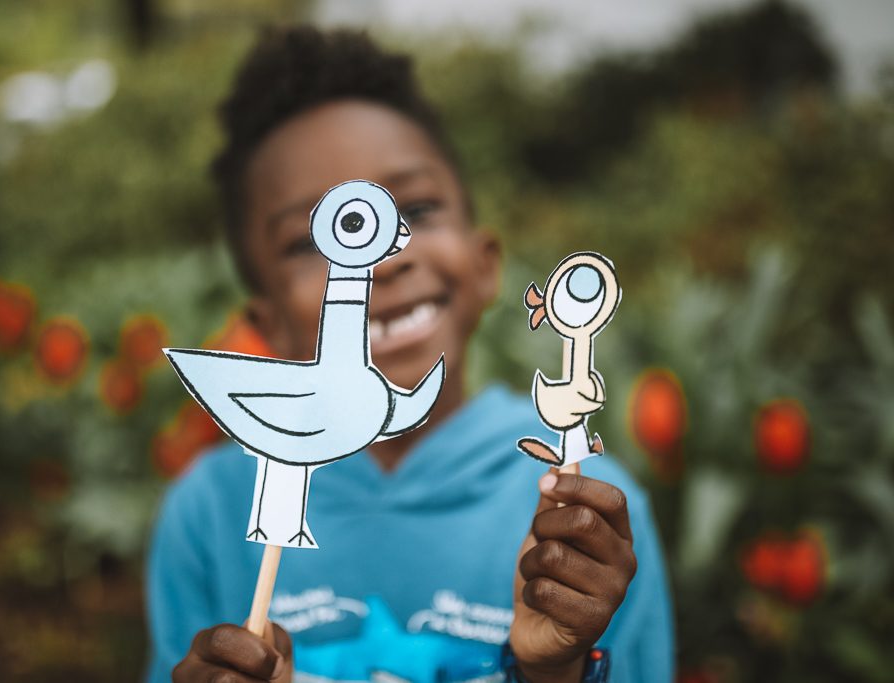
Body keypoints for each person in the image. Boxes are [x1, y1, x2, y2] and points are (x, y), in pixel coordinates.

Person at [146, 26, 674, 683]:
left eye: (417, 208)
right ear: (266, 323)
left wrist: (555, 670)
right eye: (314, 240)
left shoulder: (588, 520)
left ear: (486, 266)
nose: (379, 259)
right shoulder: (209, 513)